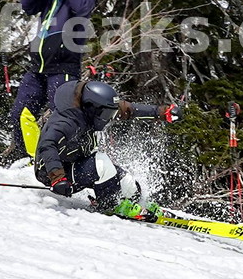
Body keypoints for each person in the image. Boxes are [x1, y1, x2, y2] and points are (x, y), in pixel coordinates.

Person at [1, 0, 96, 163]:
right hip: (38, 67)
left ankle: (70, 161)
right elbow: (28, 5)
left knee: (62, 117)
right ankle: (34, 159)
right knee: (21, 113)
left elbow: (82, 8)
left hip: (63, 65)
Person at [34, 79, 182, 217]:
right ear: (92, 108)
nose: (109, 118)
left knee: (127, 181)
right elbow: (47, 145)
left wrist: (163, 112)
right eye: (107, 114)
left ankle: (138, 204)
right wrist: (58, 178)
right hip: (53, 172)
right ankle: (110, 206)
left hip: (75, 163)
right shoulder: (66, 122)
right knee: (102, 163)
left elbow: (131, 109)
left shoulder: (97, 108)